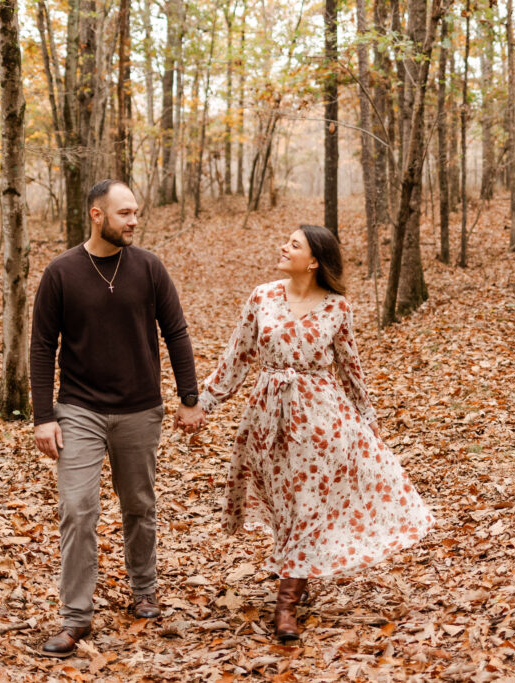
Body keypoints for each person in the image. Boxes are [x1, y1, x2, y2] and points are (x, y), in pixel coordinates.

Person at [192, 224, 434, 641]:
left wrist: (369, 425)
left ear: (315, 260)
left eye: (294, 245)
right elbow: (237, 356)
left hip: (321, 421)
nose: (283, 247)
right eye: (285, 240)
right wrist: (202, 404)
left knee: (305, 506)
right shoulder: (262, 297)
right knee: (285, 505)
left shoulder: (337, 308)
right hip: (267, 417)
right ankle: (295, 570)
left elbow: (350, 369)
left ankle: (286, 606)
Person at [29, 179, 205, 658]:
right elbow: (43, 346)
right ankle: (76, 617)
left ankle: (143, 590)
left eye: (135, 213)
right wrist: (43, 416)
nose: (133, 221)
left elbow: (176, 332)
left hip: (139, 408)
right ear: (96, 215)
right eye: (124, 213)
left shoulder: (148, 268)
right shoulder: (61, 272)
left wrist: (190, 398)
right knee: (78, 509)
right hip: (79, 409)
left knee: (139, 505)